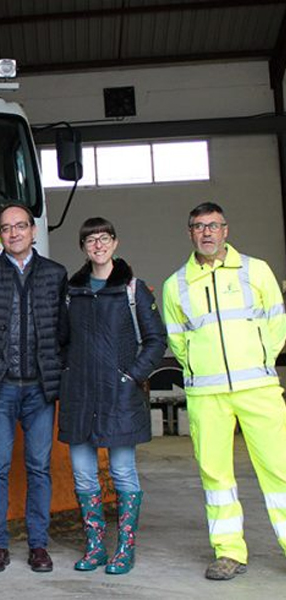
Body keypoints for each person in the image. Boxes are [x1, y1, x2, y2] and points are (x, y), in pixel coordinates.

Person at [162, 202, 286, 581]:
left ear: (225, 230)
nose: (207, 233)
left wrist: (259, 360)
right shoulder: (175, 284)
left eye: (213, 226)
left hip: (258, 388)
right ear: (190, 233)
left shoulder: (256, 270)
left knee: (280, 471)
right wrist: (203, 369)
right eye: (199, 226)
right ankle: (229, 552)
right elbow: (178, 342)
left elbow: (277, 323)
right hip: (207, 395)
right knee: (216, 478)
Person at [0, 204, 67, 574]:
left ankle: (38, 545)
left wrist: (55, 370)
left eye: (21, 226)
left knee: (39, 468)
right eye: (6, 228)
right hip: (0, 387)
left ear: (33, 231)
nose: (14, 233)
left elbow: (64, 331)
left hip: (40, 389)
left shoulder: (55, 274)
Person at [58, 217, 166, 575]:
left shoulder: (133, 290)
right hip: (79, 397)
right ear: (83, 248)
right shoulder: (72, 292)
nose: (98, 245)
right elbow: (61, 341)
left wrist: (131, 376)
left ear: (115, 243)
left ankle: (125, 549)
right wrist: (68, 374)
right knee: (83, 475)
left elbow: (156, 340)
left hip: (119, 395)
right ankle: (95, 548)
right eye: (91, 240)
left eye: (104, 238)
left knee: (122, 472)